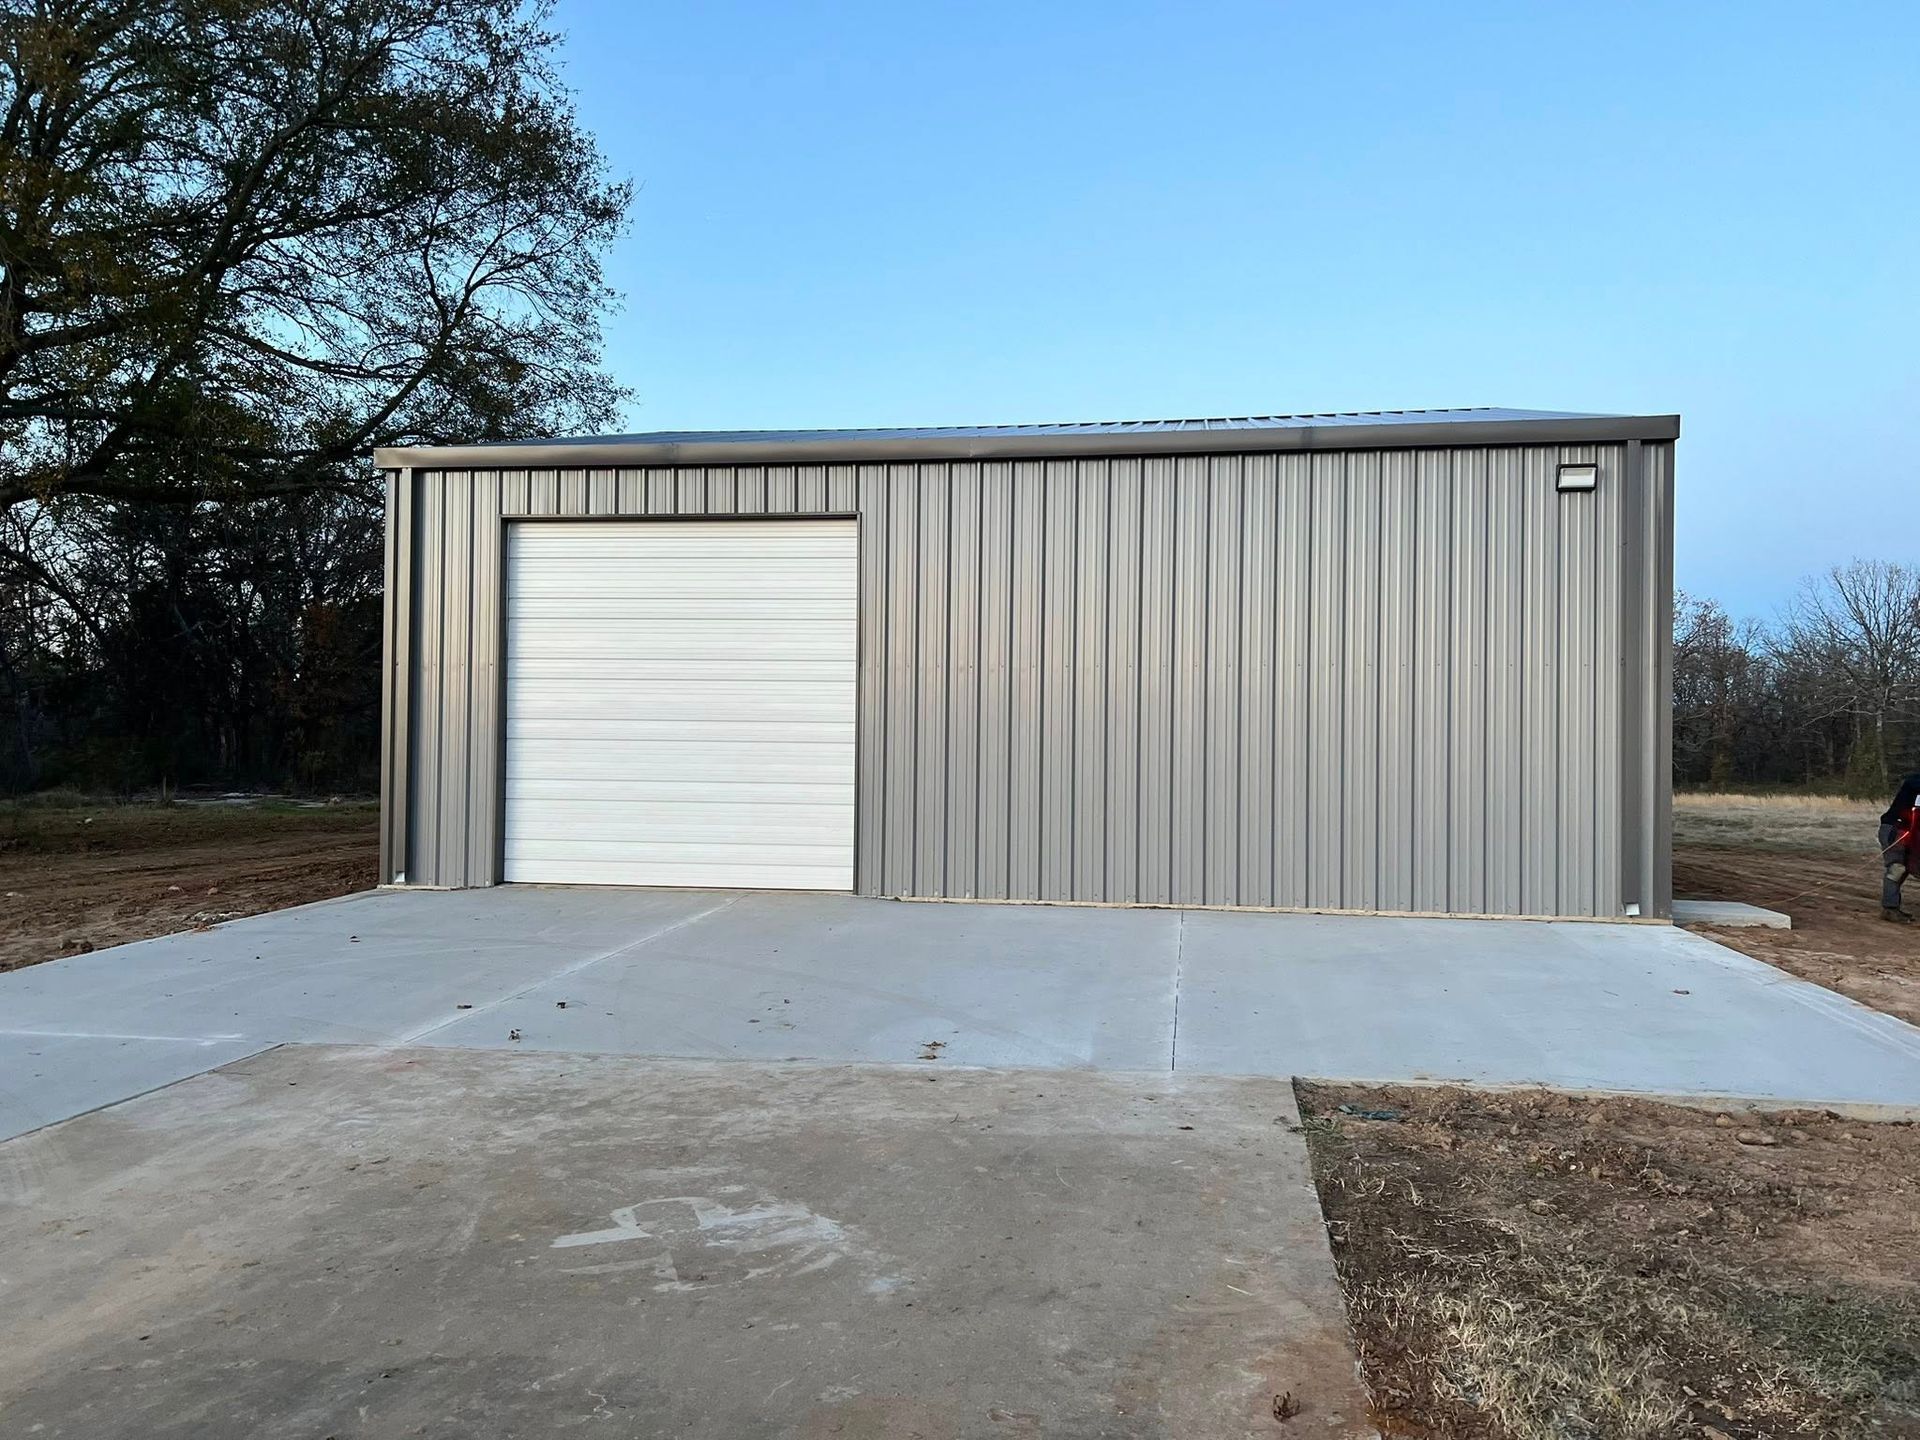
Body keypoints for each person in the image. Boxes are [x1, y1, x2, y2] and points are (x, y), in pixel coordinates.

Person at [1878, 772, 1920, 922]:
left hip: (1912, 833)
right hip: (1894, 829)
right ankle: (1889, 909)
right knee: (1897, 868)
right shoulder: (1914, 782)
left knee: (1910, 867)